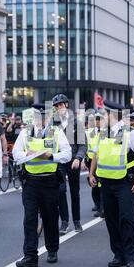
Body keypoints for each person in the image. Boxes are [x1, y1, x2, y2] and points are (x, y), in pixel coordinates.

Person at [89, 101, 134, 267]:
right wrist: (92, 174)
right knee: (112, 221)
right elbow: (96, 155)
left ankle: (131, 258)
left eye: (104, 114)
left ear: (112, 115)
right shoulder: (103, 133)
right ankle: (119, 255)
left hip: (125, 183)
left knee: (127, 220)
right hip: (106, 184)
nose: (102, 117)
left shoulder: (131, 133)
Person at [13, 105, 71, 267]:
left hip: (49, 182)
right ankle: (30, 256)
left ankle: (52, 250)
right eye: (38, 116)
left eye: (44, 116)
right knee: (29, 219)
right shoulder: (25, 132)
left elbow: (67, 154)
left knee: (50, 217)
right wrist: (27, 154)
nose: (40, 119)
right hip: (31, 182)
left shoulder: (56, 132)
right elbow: (16, 153)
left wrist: (51, 155)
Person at [51, 94, 87, 235]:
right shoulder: (53, 124)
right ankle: (64, 222)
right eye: (57, 106)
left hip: (73, 161)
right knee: (60, 190)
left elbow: (83, 144)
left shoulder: (76, 123)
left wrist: (78, 158)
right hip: (59, 161)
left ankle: (77, 220)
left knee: (74, 192)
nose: (59, 107)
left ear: (66, 105)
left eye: (61, 105)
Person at [84, 109, 105, 217]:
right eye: (95, 120)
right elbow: (85, 147)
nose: (97, 122)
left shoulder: (106, 132)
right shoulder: (89, 132)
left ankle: (103, 208)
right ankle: (97, 205)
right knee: (94, 185)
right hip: (91, 162)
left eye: (99, 119)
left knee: (102, 186)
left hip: (102, 162)